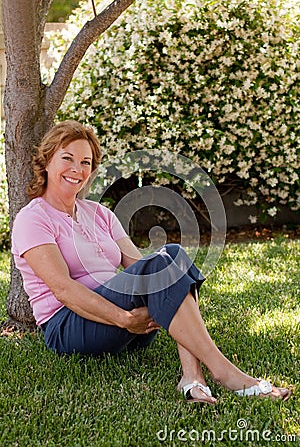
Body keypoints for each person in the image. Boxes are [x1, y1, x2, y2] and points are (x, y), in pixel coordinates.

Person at [12, 120, 290, 405]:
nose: (77, 169)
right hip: (70, 328)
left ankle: (192, 376)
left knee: (171, 256)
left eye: (86, 162)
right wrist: (124, 319)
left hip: (129, 327)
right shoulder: (33, 219)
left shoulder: (99, 214)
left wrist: (136, 313)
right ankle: (223, 371)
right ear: (46, 161)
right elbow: (64, 290)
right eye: (67, 158)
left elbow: (140, 263)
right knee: (163, 263)